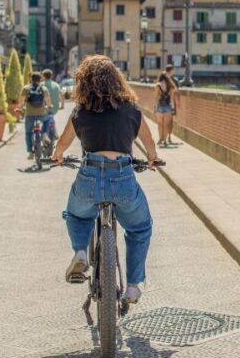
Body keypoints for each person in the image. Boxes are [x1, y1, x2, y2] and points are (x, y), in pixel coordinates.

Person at [51, 55, 160, 303]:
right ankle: (133, 285)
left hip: (89, 174)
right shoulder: (132, 109)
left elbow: (63, 144)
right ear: (116, 80)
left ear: (84, 82)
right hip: (122, 176)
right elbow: (149, 143)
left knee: (77, 215)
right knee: (139, 227)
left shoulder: (81, 111)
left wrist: (57, 157)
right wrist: (152, 159)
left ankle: (80, 251)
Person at [17, 72, 52, 160]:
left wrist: (20, 107)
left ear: (31, 79)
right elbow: (48, 101)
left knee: (28, 133)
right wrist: (49, 106)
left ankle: (30, 151)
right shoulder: (43, 88)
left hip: (29, 114)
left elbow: (21, 101)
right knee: (48, 119)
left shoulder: (26, 88)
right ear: (40, 80)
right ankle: (44, 134)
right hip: (41, 114)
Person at [154, 71, 177, 148]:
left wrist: (155, 107)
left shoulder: (158, 85)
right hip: (168, 106)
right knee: (166, 125)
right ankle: (165, 140)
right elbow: (172, 99)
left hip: (160, 106)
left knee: (160, 124)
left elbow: (156, 98)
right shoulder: (170, 86)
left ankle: (160, 139)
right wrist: (173, 108)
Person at [41, 68, 64, 141]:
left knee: (44, 120)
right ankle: (55, 131)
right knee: (50, 116)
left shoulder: (41, 85)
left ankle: (45, 133)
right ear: (51, 76)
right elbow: (61, 95)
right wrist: (62, 105)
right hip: (55, 107)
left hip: (44, 108)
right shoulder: (56, 84)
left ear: (43, 76)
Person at [164, 64, 179, 145]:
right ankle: (165, 138)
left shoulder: (175, 80)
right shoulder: (163, 79)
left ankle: (168, 137)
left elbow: (176, 92)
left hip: (171, 104)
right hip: (167, 104)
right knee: (167, 122)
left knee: (170, 121)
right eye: (173, 70)